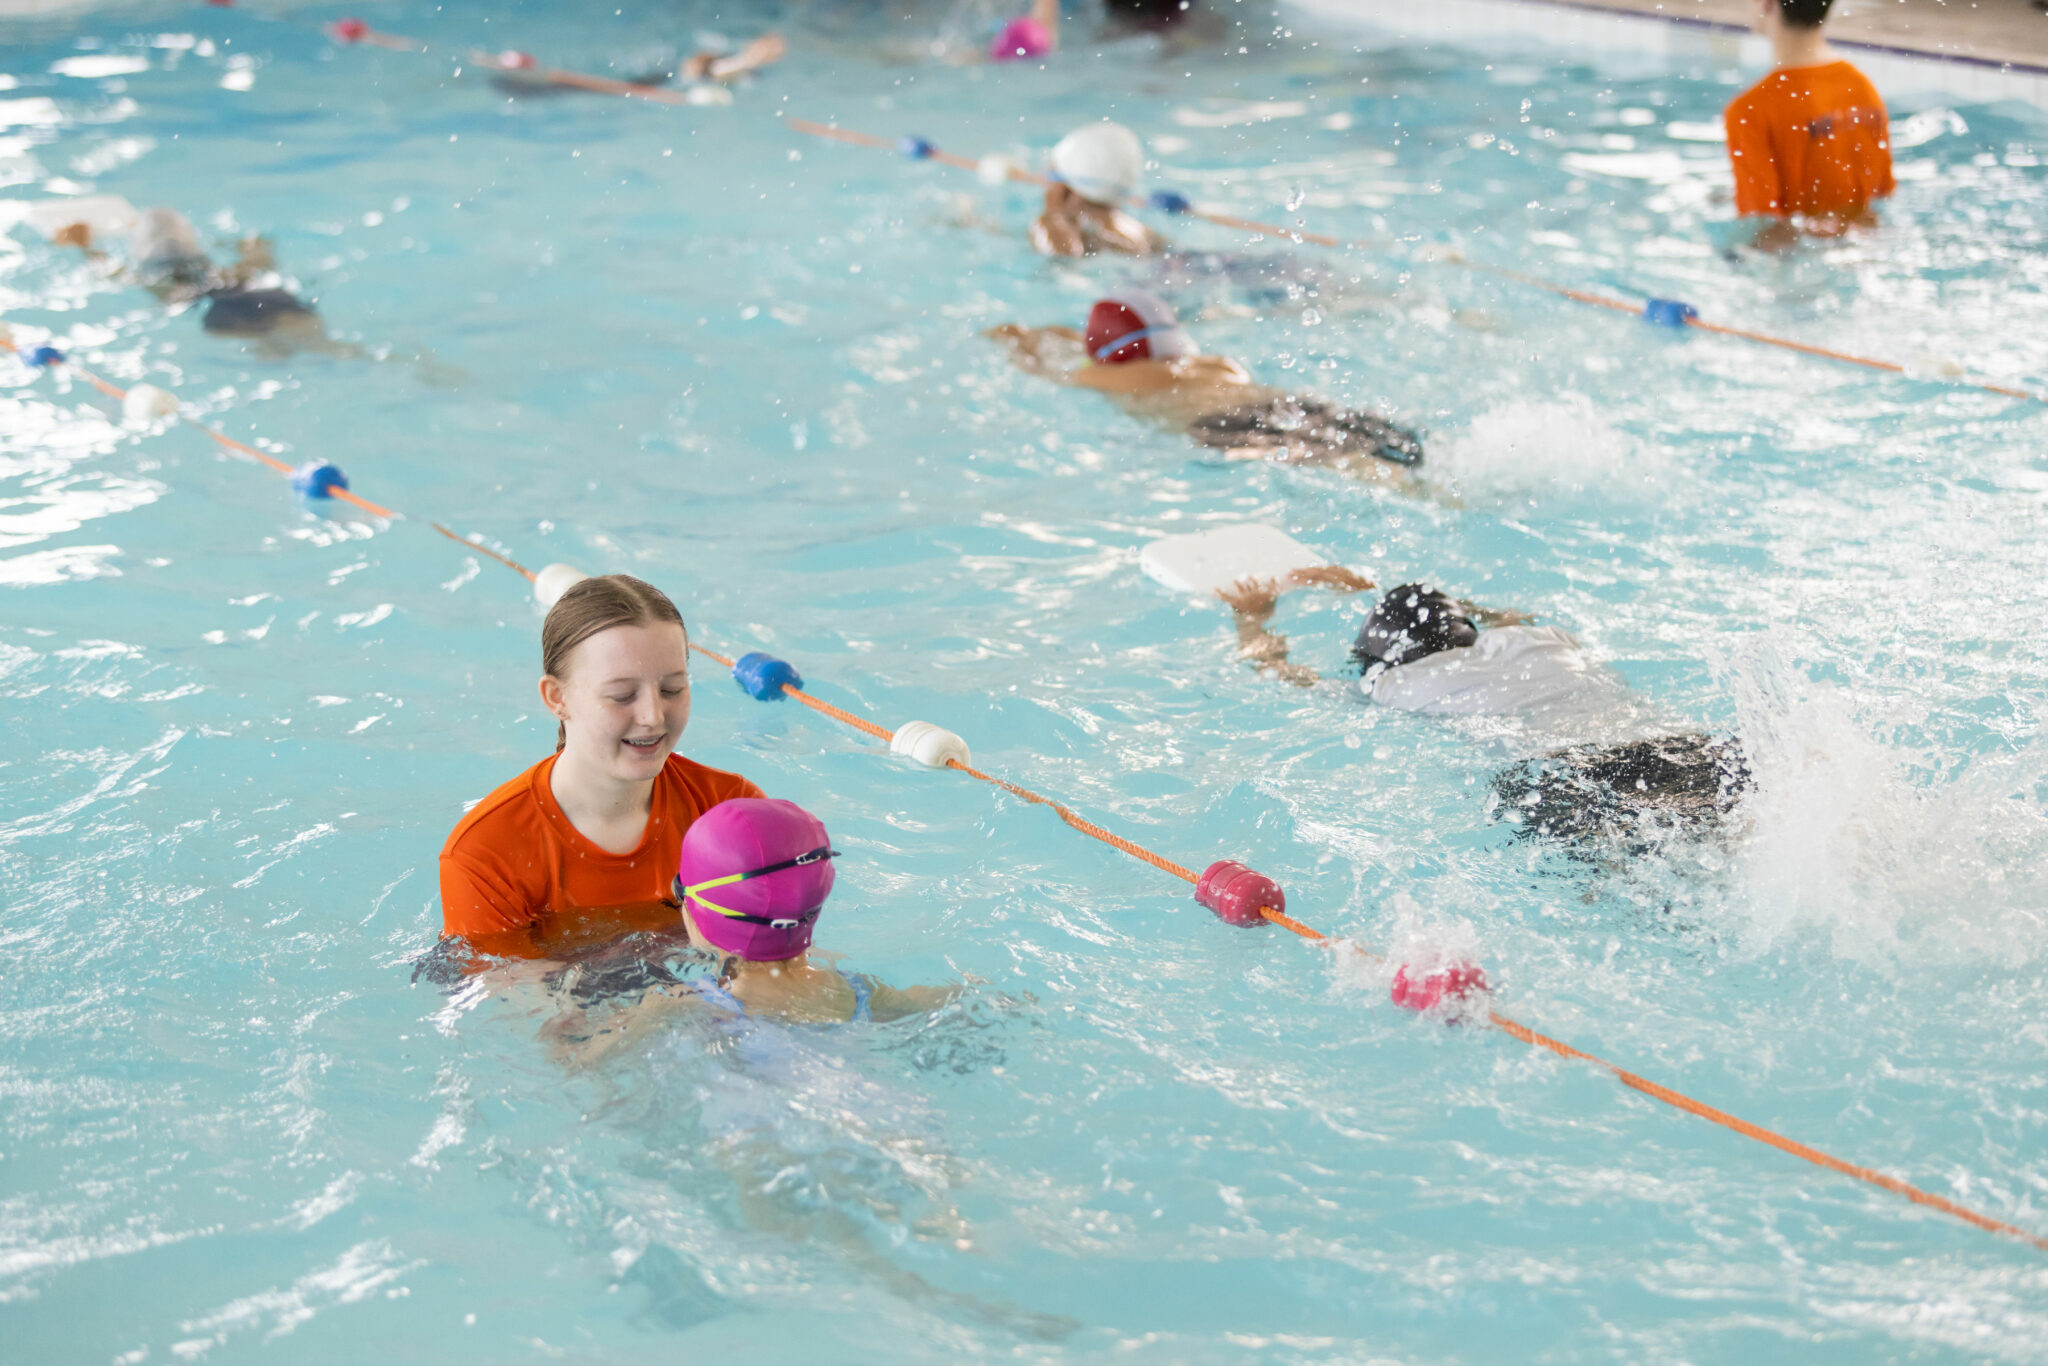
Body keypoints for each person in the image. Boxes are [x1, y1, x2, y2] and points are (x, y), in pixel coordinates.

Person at [1217, 578, 1751, 849]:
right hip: (1687, 743)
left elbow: (1280, 674)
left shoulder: (1393, 684)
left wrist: (1251, 617)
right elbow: (1511, 616)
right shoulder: (1545, 637)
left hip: (1581, 774)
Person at [439, 574, 762, 960]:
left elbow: (774, 971)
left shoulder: (728, 810)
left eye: (672, 689)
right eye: (622, 695)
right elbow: (520, 1006)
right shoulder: (487, 852)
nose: (653, 716)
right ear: (557, 698)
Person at [554, 797, 957, 1061]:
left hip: (763, 1138)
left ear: (699, 918)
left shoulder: (688, 1006)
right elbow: (949, 1000)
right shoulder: (858, 991)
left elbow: (578, 1063)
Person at [988, 289, 1424, 478]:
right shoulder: (1214, 364)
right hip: (1282, 402)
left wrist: (1014, 338)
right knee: (1381, 442)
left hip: (1224, 423)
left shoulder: (1120, 376)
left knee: (1345, 466)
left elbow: (1048, 370)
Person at [53, 207, 354, 356]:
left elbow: (108, 271)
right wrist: (239, 244)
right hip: (269, 297)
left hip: (223, 317)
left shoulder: (151, 280)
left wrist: (83, 244)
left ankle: (270, 348)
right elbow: (260, 248)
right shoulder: (230, 271)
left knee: (277, 349)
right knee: (326, 348)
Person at [1725, 0, 1894, 242]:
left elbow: (1763, 224)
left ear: (1767, 4)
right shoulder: (1861, 88)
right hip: (1863, 243)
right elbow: (1881, 196)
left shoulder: (1750, 110)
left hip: (1797, 259)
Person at [1031, 122, 1166, 258]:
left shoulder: (1054, 224)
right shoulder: (1143, 233)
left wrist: (1051, 219)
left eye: (1049, 175)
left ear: (1064, 189)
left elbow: (1060, 266)